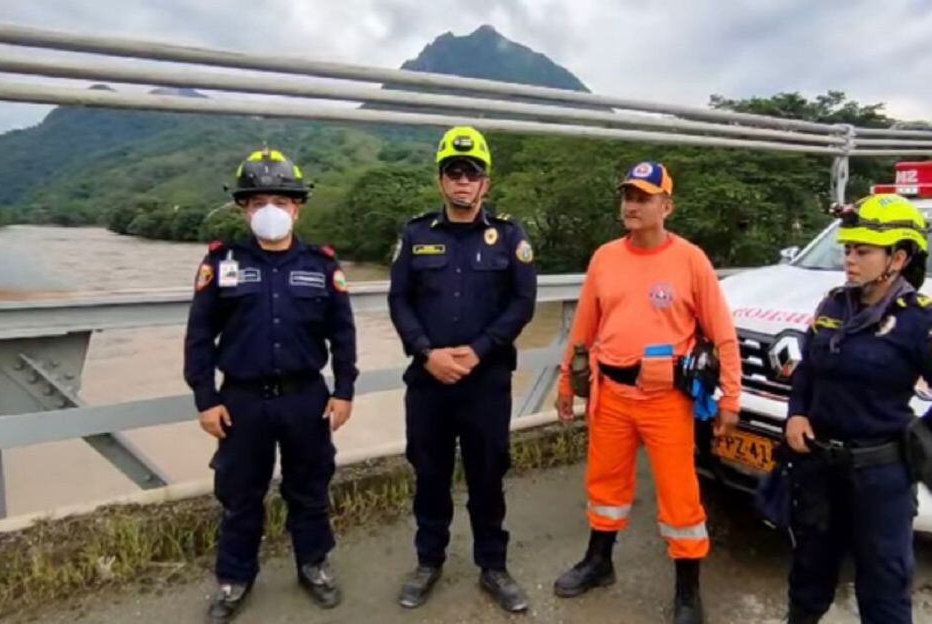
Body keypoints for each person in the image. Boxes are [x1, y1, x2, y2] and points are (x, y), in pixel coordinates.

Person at [552, 161, 742, 624]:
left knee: (680, 496)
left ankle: (688, 592)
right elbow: (584, 330)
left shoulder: (690, 260)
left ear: (666, 206)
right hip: (611, 394)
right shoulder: (604, 258)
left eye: (643, 198)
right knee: (605, 486)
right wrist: (566, 381)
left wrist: (731, 397)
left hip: (666, 400)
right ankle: (599, 561)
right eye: (627, 197)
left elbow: (723, 334)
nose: (632, 206)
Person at [783, 194, 932, 623]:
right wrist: (797, 412)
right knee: (809, 569)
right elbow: (809, 367)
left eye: (863, 252)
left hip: (880, 476)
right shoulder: (835, 304)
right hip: (820, 467)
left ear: (898, 258)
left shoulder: (921, 321)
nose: (850, 260)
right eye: (848, 250)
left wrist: (919, 440)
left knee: (884, 584)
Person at [183, 149, 357, 623]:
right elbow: (199, 337)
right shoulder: (221, 263)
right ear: (243, 208)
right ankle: (234, 578)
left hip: (306, 398)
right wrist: (206, 399)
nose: (270, 210)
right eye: (258, 202)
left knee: (310, 489)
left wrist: (344, 391)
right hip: (241, 401)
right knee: (240, 495)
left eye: (280, 201)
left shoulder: (322, 265)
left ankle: (314, 564)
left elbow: (343, 335)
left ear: (298, 207)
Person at [387, 126, 537, 613]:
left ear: (486, 183)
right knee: (429, 474)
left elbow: (522, 302)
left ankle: (493, 566)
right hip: (428, 381)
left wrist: (478, 350)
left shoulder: (509, 236)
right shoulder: (415, 235)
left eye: (472, 174)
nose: (463, 182)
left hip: (485, 382)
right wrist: (426, 352)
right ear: (441, 180)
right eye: (454, 173)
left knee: (487, 475)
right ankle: (428, 562)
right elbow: (399, 300)